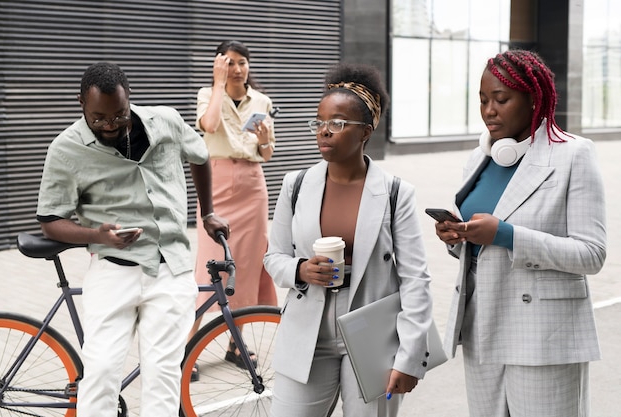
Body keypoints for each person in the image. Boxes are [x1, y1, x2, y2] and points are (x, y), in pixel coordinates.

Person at [35, 61, 229, 417]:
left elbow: (199, 155)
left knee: (163, 376)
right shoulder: (65, 149)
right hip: (112, 271)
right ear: (81, 103)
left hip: (170, 268)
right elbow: (50, 220)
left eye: (118, 115)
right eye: (98, 118)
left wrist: (207, 212)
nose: (110, 125)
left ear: (129, 100)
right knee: (101, 373)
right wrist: (98, 236)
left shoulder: (166, 121)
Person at [434, 49, 607, 417]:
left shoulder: (574, 155)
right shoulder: (480, 158)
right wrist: (458, 238)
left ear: (533, 100)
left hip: (543, 335)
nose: (489, 111)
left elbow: (591, 254)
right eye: (482, 101)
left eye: (501, 99)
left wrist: (508, 235)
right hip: (481, 325)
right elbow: (481, 248)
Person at [264, 62, 433, 417]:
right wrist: (300, 269)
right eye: (319, 122)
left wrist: (410, 356)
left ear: (366, 131)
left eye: (338, 123)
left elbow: (416, 278)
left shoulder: (395, 192)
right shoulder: (295, 185)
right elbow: (273, 256)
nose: (324, 131)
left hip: (374, 332)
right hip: (308, 329)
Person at [191, 40, 278, 371]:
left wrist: (264, 137)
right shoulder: (207, 93)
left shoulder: (262, 101)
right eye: (229, 62)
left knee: (244, 264)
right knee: (208, 266)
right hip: (217, 182)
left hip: (252, 186)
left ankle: (236, 345)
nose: (237, 68)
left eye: (242, 62)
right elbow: (209, 126)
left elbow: (266, 154)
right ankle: (188, 346)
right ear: (218, 65)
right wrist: (217, 84)